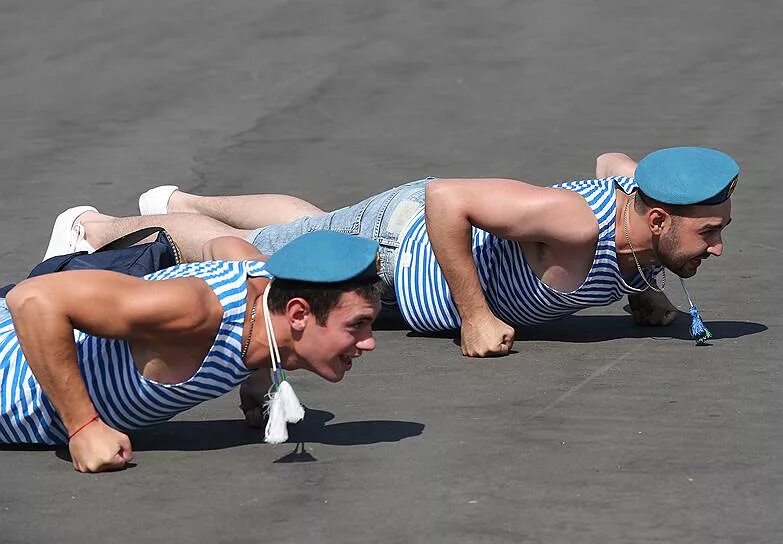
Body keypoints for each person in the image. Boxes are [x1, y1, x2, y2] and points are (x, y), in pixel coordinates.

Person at [43, 146, 738, 358]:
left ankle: (181, 203)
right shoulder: (575, 222)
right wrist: (472, 313)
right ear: (654, 217)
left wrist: (641, 286)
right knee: (255, 253)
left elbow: (617, 160)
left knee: (310, 222)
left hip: (392, 245)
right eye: (707, 233)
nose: (717, 246)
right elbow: (445, 200)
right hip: (398, 249)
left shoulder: (637, 219)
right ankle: (94, 229)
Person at [1, 231, 382, 473]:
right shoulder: (195, 308)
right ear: (298, 313)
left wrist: (261, 375)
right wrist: (82, 426)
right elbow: (32, 299)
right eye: (356, 325)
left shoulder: (267, 291)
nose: (369, 342)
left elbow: (221, 245)